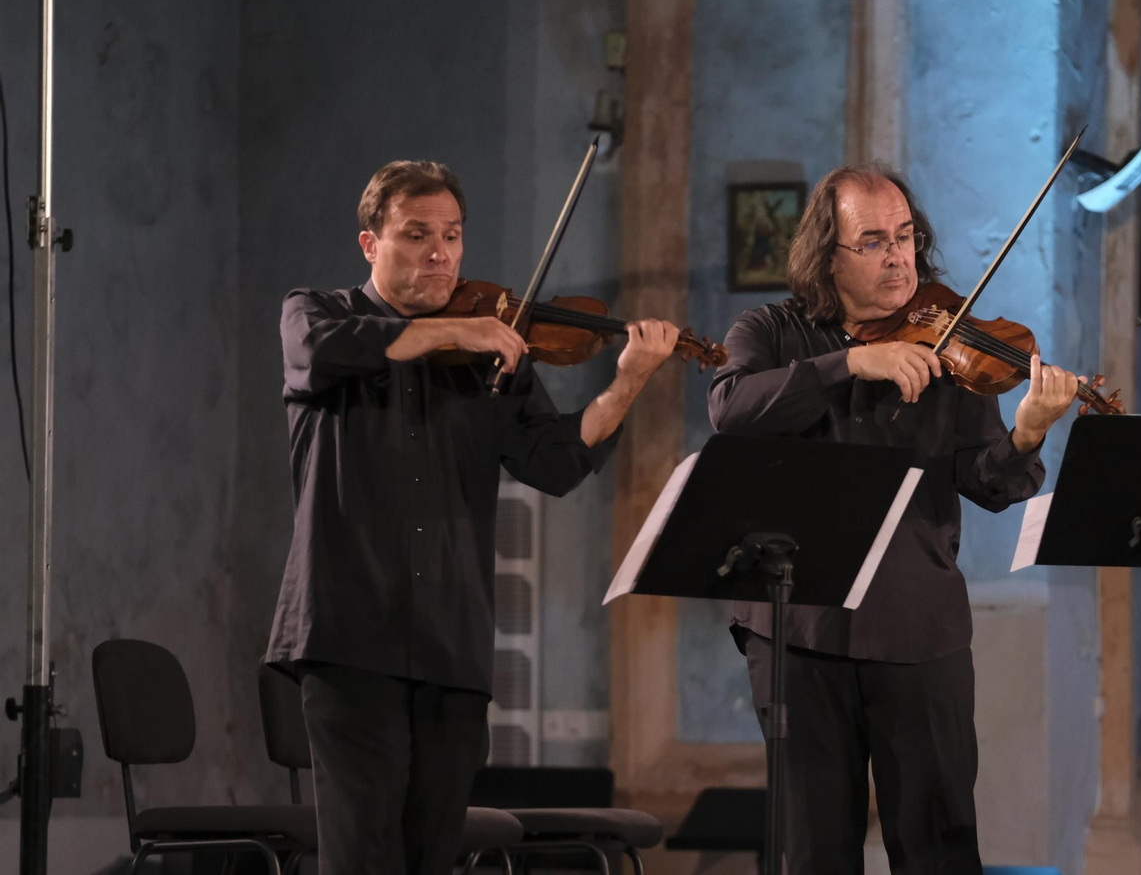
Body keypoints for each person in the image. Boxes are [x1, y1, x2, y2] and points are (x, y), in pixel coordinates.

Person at [265, 160, 679, 874]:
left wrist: (628, 382)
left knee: (434, 858)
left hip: (451, 644)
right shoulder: (318, 312)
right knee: (360, 856)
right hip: (348, 636)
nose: (440, 252)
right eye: (417, 234)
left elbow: (554, 462)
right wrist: (450, 330)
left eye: (452, 235)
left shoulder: (490, 353)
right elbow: (323, 355)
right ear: (370, 244)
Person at [707, 165, 1084, 872]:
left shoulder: (950, 340)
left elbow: (988, 481)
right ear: (828, 257)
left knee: (939, 848)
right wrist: (853, 362)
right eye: (874, 241)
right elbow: (731, 410)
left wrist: (1027, 433)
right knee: (815, 849)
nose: (898, 256)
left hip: (918, 626)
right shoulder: (771, 330)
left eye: (906, 237)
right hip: (801, 630)